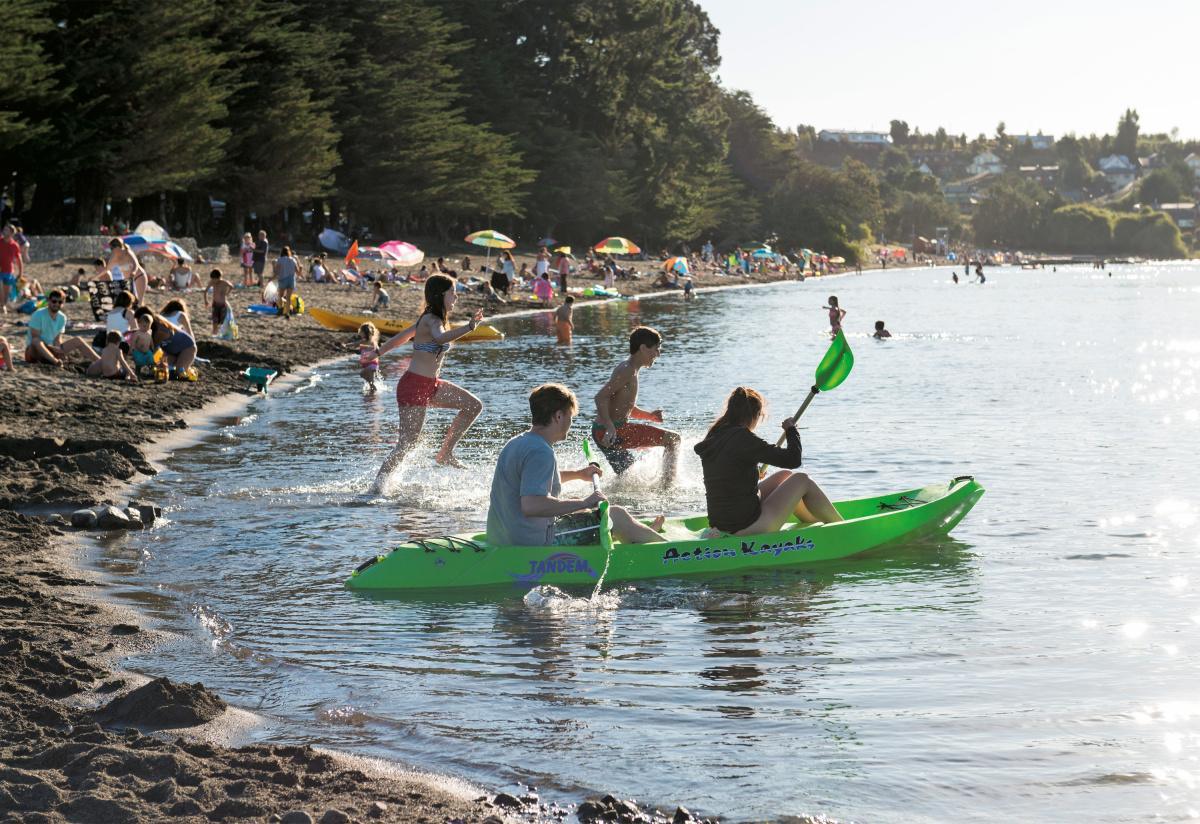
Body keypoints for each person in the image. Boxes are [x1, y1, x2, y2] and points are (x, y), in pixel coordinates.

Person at [486, 383, 665, 547]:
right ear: (558, 416)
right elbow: (532, 506)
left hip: (505, 536)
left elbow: (532, 480)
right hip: (535, 541)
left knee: (591, 512)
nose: (571, 424)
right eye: (570, 417)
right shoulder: (541, 452)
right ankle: (670, 549)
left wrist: (578, 474)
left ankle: (638, 532)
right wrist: (583, 502)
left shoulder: (518, 442)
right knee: (615, 515)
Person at [372, 274, 485, 487]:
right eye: (453, 293)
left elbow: (400, 338)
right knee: (406, 444)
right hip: (414, 386)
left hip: (431, 385)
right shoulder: (431, 320)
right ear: (441, 295)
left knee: (473, 405)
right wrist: (469, 327)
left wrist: (376, 353)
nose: (456, 297)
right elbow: (440, 338)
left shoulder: (430, 318)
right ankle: (376, 488)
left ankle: (445, 454)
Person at [694, 386, 842, 535]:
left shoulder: (715, 434)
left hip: (721, 523)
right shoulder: (742, 438)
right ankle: (841, 528)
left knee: (784, 475)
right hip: (744, 526)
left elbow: (728, 471)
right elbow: (793, 459)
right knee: (802, 480)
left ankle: (812, 524)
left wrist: (753, 473)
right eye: (760, 416)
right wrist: (791, 430)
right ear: (754, 414)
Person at [593, 326, 680, 483]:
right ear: (643, 348)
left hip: (605, 432)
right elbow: (600, 397)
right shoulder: (627, 370)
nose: (658, 354)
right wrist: (610, 427)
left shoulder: (629, 369)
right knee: (673, 439)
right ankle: (668, 488)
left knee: (630, 478)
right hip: (612, 431)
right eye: (656, 349)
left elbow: (623, 407)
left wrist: (649, 416)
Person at [24, 289, 100, 366]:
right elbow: (35, 337)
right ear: (48, 301)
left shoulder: (62, 317)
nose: (56, 304)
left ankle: (100, 361)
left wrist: (58, 349)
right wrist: (51, 348)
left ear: (63, 303)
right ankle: (55, 362)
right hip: (34, 353)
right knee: (36, 341)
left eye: (60, 302)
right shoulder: (38, 314)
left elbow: (57, 339)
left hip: (51, 351)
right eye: (54, 301)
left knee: (78, 340)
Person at [134, 306, 196, 379]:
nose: (138, 324)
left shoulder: (160, 329)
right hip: (171, 351)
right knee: (162, 370)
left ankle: (191, 371)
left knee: (179, 374)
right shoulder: (151, 326)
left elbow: (153, 349)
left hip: (187, 348)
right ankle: (183, 367)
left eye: (139, 321)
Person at [0, 224, 24, 313]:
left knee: (6, 294)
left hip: (9, 272)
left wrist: (20, 273)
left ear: (11, 233)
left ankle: (3, 306)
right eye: (4, 229)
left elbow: (19, 260)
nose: (4, 231)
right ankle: (2, 306)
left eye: (6, 230)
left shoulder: (15, 245)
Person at [352, 322, 381, 393]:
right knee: (371, 382)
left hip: (372, 365)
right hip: (368, 365)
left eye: (361, 332)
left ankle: (373, 395)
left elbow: (377, 349)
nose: (360, 333)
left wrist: (346, 345)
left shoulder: (371, 341)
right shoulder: (366, 342)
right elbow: (357, 347)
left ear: (365, 333)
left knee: (362, 374)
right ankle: (373, 394)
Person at [205, 269, 234, 335]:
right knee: (215, 321)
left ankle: (223, 333)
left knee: (223, 321)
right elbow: (205, 291)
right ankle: (214, 333)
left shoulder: (224, 282)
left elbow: (231, 286)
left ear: (219, 277)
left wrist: (227, 293)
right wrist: (206, 301)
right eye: (212, 279)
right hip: (215, 304)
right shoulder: (212, 282)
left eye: (215, 279)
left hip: (223, 305)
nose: (214, 281)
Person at [273, 246, 299, 318]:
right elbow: (297, 271)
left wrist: (272, 278)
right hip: (291, 280)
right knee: (288, 297)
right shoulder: (293, 260)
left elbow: (277, 271)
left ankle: (280, 309)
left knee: (280, 296)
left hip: (283, 279)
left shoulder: (280, 260)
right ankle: (287, 312)